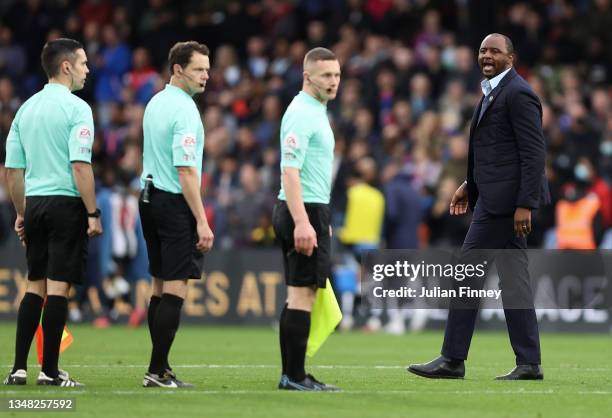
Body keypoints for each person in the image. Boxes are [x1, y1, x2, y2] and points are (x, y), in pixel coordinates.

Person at [408, 34, 550, 381]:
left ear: (510, 58)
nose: (487, 55)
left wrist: (524, 205)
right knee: (515, 282)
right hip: (491, 198)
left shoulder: (519, 94)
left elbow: (533, 154)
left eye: (495, 51)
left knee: (465, 276)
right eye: (483, 49)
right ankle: (529, 363)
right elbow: (493, 153)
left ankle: (453, 359)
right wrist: (469, 186)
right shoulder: (490, 92)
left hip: (504, 206)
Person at [4, 38, 102, 387]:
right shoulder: (78, 109)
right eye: (83, 63)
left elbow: (12, 171)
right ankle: (49, 373)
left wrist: (21, 212)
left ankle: (17, 369)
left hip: (35, 204)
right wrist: (92, 212)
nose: (87, 70)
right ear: (66, 67)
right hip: (65, 204)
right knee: (58, 289)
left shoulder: (25, 109)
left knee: (34, 285)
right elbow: (80, 165)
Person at [139, 41, 213, 388]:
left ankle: (160, 366)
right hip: (172, 201)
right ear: (178, 69)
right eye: (199, 69)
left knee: (158, 286)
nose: (206, 76)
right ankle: (157, 370)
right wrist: (201, 219)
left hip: (148, 198)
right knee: (175, 287)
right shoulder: (185, 110)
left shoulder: (156, 102)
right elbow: (185, 170)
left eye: (207, 69)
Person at [272, 47, 341, 391]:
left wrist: (319, 216)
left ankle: (291, 374)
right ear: (308, 76)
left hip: (312, 208)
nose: (333, 82)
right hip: (302, 209)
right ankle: (295, 376)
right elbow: (290, 171)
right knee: (302, 296)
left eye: (337, 75)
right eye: (327, 75)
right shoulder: (301, 113)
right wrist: (303, 220)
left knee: (298, 295)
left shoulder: (315, 111)